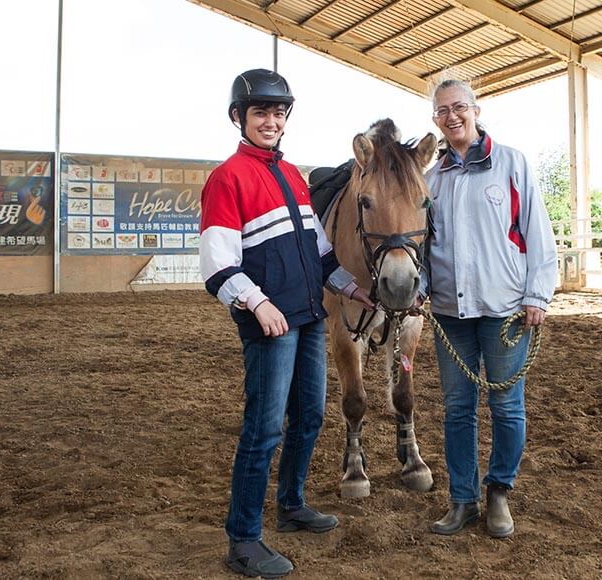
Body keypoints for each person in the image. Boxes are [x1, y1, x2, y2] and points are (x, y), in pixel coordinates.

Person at [199, 68, 374, 578]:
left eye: (278, 113)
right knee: (263, 430)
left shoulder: (294, 174)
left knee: (311, 418)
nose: (271, 121)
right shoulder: (227, 178)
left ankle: (292, 505)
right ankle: (244, 538)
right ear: (239, 118)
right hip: (271, 326)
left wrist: (351, 287)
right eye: (261, 113)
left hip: (309, 318)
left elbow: (318, 252)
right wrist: (257, 304)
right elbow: (217, 263)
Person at [421, 78, 558, 539]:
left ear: (476, 110)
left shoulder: (512, 164)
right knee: (457, 408)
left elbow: (537, 232)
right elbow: (424, 245)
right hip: (447, 311)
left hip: (504, 309)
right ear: (435, 120)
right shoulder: (432, 178)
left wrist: (537, 294)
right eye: (442, 111)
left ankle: (498, 491)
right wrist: (420, 286)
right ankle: (462, 499)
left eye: (459, 107)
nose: (452, 116)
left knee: (506, 406)